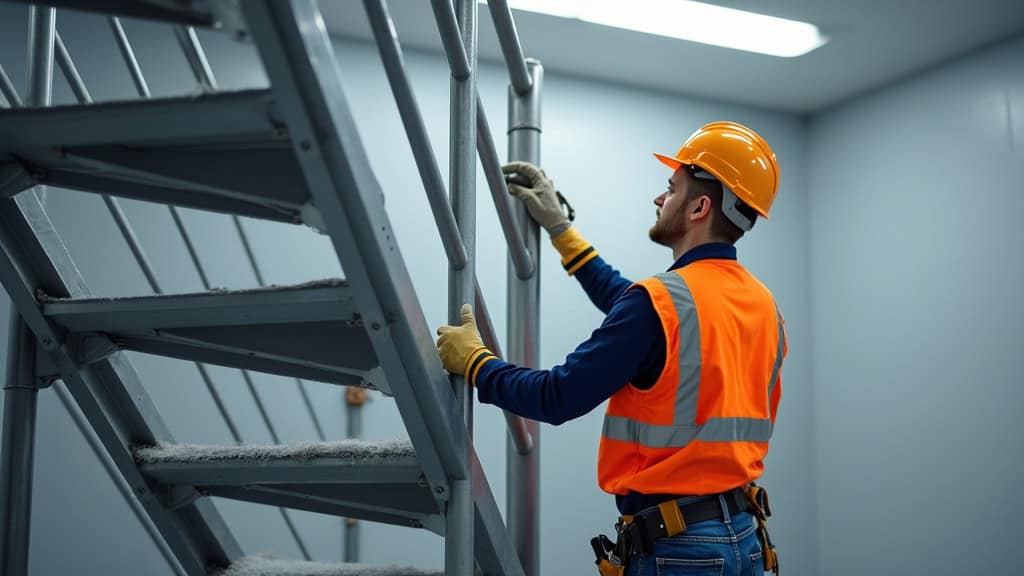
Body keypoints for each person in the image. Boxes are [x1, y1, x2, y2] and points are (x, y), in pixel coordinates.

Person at [435, 121, 787, 576]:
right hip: (746, 536)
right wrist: (561, 231)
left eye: (671, 188)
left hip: (682, 550)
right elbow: (630, 305)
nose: (660, 199)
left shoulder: (660, 303)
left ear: (699, 207)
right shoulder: (764, 306)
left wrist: (477, 364)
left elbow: (557, 396)